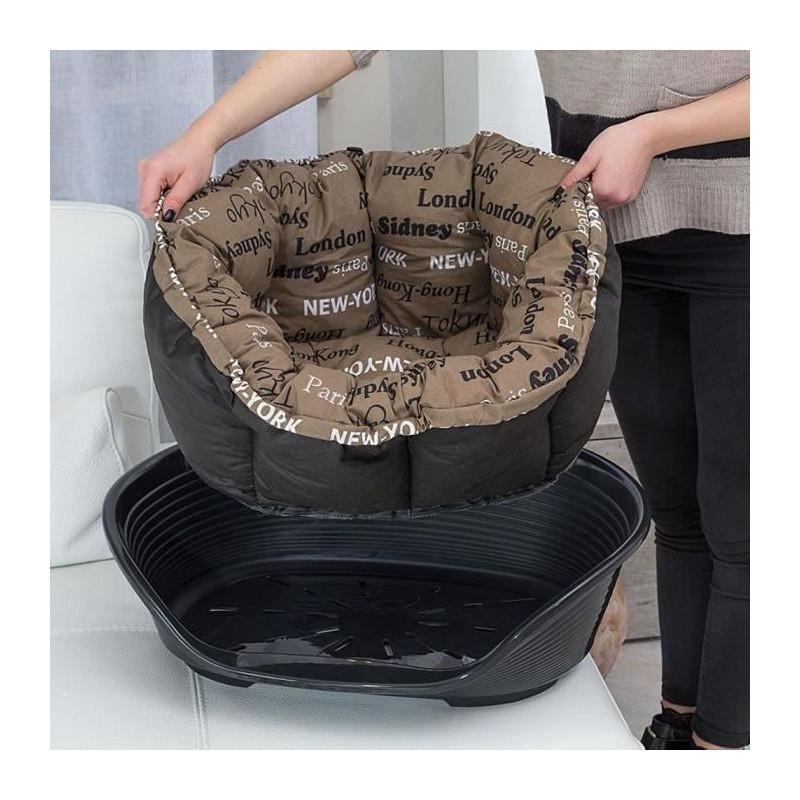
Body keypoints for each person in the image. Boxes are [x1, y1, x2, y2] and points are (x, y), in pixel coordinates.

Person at [138, 50, 749, 750]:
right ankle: (679, 725)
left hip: (749, 230)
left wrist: (653, 134)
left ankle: (724, 747)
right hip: (621, 225)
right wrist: (206, 133)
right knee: (680, 512)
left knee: (745, 525)